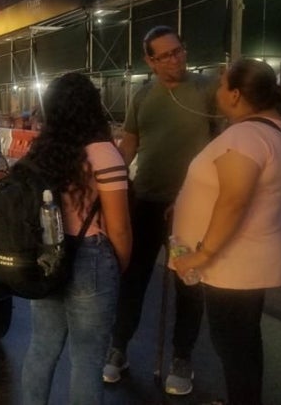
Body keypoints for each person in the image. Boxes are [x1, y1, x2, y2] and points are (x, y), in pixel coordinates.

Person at [103, 25, 217, 395]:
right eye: (165, 55)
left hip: (190, 211)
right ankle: (119, 347)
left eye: (179, 50)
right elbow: (130, 146)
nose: (176, 59)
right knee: (133, 278)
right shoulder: (142, 96)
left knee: (189, 282)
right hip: (148, 204)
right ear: (149, 61)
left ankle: (182, 358)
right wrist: (111, 184)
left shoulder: (207, 89)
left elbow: (222, 145)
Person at [171, 58, 281, 405]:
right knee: (243, 343)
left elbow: (234, 200)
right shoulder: (266, 130)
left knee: (233, 345)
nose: (217, 90)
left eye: (222, 85)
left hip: (232, 266)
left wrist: (203, 253)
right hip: (242, 264)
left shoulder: (246, 136)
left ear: (236, 94)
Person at [21, 72, 132, 405]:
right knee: (86, 360)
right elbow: (120, 227)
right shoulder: (104, 154)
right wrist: (119, 266)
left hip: (46, 257)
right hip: (92, 259)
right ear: (92, 106)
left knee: (42, 348)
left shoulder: (40, 151)